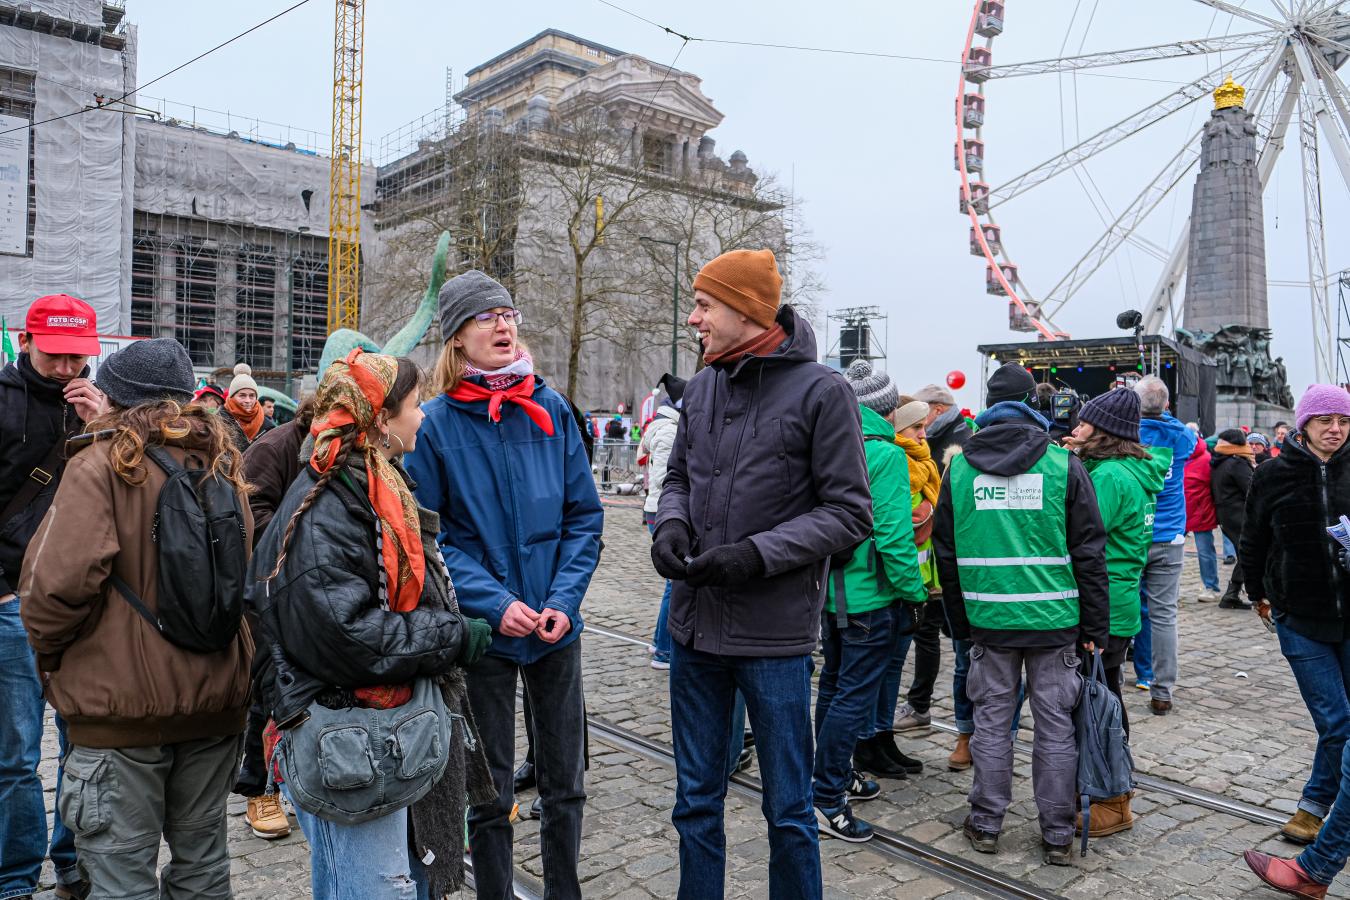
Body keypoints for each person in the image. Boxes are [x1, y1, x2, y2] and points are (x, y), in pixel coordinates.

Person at [651, 248, 871, 899]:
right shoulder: (705, 385)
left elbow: (849, 514)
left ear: (745, 310)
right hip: (695, 632)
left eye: (703, 305)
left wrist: (755, 554)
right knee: (694, 804)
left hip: (773, 639)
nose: (693, 319)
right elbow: (680, 478)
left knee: (789, 812)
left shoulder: (823, 392)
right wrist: (671, 524)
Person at [248, 349, 493, 899]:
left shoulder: (372, 482)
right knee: (376, 889)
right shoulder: (334, 500)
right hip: (350, 733)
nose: (424, 415)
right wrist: (452, 637)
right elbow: (346, 634)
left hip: (372, 726)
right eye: (415, 404)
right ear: (380, 419)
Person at [20, 337, 253, 899]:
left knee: (122, 877)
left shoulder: (98, 463)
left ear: (116, 399)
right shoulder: (223, 464)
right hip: (216, 705)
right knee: (203, 866)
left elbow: (54, 587)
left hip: (118, 711)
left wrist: (53, 664)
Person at [406, 270, 603, 900]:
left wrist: (563, 602)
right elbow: (432, 538)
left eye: (508, 313)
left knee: (564, 779)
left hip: (555, 628)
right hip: (486, 632)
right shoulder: (433, 424)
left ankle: (563, 891)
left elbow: (583, 517)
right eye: (485, 316)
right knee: (487, 786)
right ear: (456, 338)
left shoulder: (551, 411)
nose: (502, 324)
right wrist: (499, 603)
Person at [934, 362, 1110, 866]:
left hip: (988, 620)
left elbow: (945, 554)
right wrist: (1094, 627)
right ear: (1032, 403)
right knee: (1056, 727)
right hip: (1055, 621)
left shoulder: (960, 468)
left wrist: (958, 625)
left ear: (988, 404)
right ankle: (1056, 833)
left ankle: (986, 823)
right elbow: (1089, 553)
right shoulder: (1061, 464)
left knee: (992, 723)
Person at [0, 294, 105, 900]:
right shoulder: (4, 400)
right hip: (10, 601)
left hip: (77, 602)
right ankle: (16, 875)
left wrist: (102, 424)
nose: (69, 369)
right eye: (57, 355)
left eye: (78, 357)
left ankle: (73, 862)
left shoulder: (97, 407)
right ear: (28, 340)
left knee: (80, 742)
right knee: (15, 752)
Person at [1241, 386, 1350, 897]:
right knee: (1337, 721)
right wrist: (1259, 592)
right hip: (1300, 618)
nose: (1335, 428)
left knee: (1345, 728)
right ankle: (1314, 814)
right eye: (1325, 419)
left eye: (1343, 421)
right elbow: (1254, 539)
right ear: (1303, 424)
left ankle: (1314, 809)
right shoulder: (1272, 474)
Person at [813, 361, 925, 842]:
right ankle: (826, 795)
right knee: (852, 698)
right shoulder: (883, 456)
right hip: (869, 595)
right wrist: (914, 593)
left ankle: (829, 776)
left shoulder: (824, 443)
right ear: (884, 408)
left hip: (827, 593)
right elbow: (895, 539)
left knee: (833, 688)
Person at [1064, 388, 1166, 837]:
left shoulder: (1107, 478)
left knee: (1097, 706)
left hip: (1100, 600)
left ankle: (1112, 798)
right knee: (1105, 697)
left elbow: (1079, 536)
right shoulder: (1132, 471)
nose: (1075, 429)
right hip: (1118, 599)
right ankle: (1109, 791)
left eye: (1083, 424)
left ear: (1102, 432)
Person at [228, 395, 316, 842]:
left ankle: (304, 780)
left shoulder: (342, 445)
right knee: (268, 690)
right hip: (270, 590)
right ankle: (258, 789)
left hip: (315, 592)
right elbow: (250, 514)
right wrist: (308, 544)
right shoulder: (278, 445)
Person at [875, 397, 941, 758]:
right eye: (916, 428)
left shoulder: (925, 464)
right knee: (883, 668)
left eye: (925, 428)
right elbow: (894, 528)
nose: (922, 434)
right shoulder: (893, 460)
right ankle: (874, 739)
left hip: (921, 581)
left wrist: (930, 507)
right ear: (898, 429)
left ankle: (883, 737)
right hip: (894, 584)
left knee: (894, 666)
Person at [1134, 374, 1198, 716]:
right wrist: (1164, 412)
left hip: (1132, 534)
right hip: (1170, 535)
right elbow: (1190, 439)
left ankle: (1114, 675)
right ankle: (1161, 689)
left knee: (1123, 605)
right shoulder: (1181, 436)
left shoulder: (1126, 433)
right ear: (1169, 405)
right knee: (1164, 615)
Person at [639, 373, 684, 670]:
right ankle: (664, 651)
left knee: (673, 582)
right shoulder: (669, 431)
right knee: (674, 582)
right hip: (662, 509)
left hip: (657, 507)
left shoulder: (662, 427)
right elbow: (666, 477)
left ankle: (659, 643)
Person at [1211, 428, 1256, 610]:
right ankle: (1234, 594)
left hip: (1226, 515)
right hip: (1240, 515)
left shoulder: (1219, 461)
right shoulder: (1237, 463)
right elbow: (1252, 490)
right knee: (1250, 552)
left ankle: (1232, 594)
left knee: (1245, 553)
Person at [1184, 436, 1223, 603]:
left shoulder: (1206, 459)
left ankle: (1211, 587)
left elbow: (1215, 487)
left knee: (1205, 552)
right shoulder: (1180, 456)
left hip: (1201, 512)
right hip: (1180, 512)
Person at [914, 382, 972, 470]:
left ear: (938, 410)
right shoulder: (937, 434)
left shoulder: (963, 443)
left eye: (921, 411)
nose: (916, 418)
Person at [224, 363, 272, 447]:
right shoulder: (218, 421)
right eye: (242, 395)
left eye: (252, 395)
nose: (247, 400)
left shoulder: (268, 426)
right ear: (232, 397)